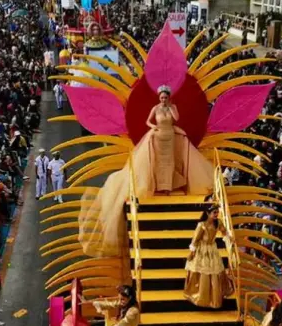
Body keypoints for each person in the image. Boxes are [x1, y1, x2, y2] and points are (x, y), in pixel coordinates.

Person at [76, 85, 213, 257]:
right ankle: (160, 185)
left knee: (169, 163)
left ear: (168, 98)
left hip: (170, 137)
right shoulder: (155, 108)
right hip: (158, 137)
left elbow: (177, 119)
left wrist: (171, 108)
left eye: (165, 98)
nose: (163, 100)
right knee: (160, 164)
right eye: (161, 98)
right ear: (159, 98)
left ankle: (168, 186)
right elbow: (147, 121)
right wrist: (153, 127)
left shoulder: (172, 108)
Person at [183, 206, 233, 308]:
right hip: (202, 250)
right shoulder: (202, 225)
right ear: (207, 213)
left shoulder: (218, 222)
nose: (216, 214)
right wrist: (191, 252)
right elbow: (195, 239)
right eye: (214, 212)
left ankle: (214, 297)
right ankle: (201, 296)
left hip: (212, 249)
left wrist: (228, 237)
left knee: (215, 270)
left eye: (217, 212)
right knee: (203, 271)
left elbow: (224, 231)